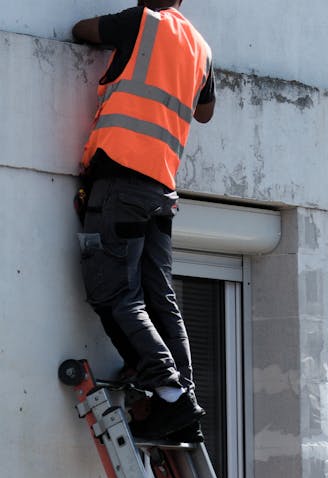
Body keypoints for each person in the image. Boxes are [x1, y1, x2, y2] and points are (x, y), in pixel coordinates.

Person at [71, 1, 215, 441]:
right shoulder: (201, 47)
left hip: (120, 178)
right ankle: (182, 397)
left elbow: (82, 29)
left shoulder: (140, 23)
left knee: (116, 293)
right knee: (159, 295)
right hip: (161, 187)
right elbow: (204, 111)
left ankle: (169, 392)